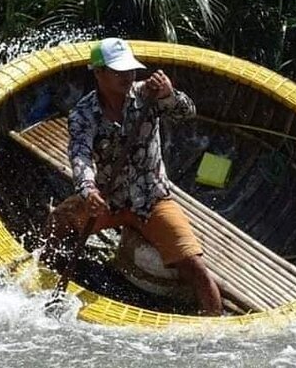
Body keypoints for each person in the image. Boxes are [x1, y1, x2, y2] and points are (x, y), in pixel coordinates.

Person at [42, 38, 223, 316]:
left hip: (151, 200)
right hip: (107, 198)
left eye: (131, 70)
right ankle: (44, 284)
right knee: (56, 224)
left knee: (196, 268)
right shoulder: (83, 113)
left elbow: (186, 112)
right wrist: (88, 190)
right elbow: (80, 155)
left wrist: (169, 94)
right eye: (119, 72)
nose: (128, 76)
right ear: (99, 73)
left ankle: (213, 322)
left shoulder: (147, 95)